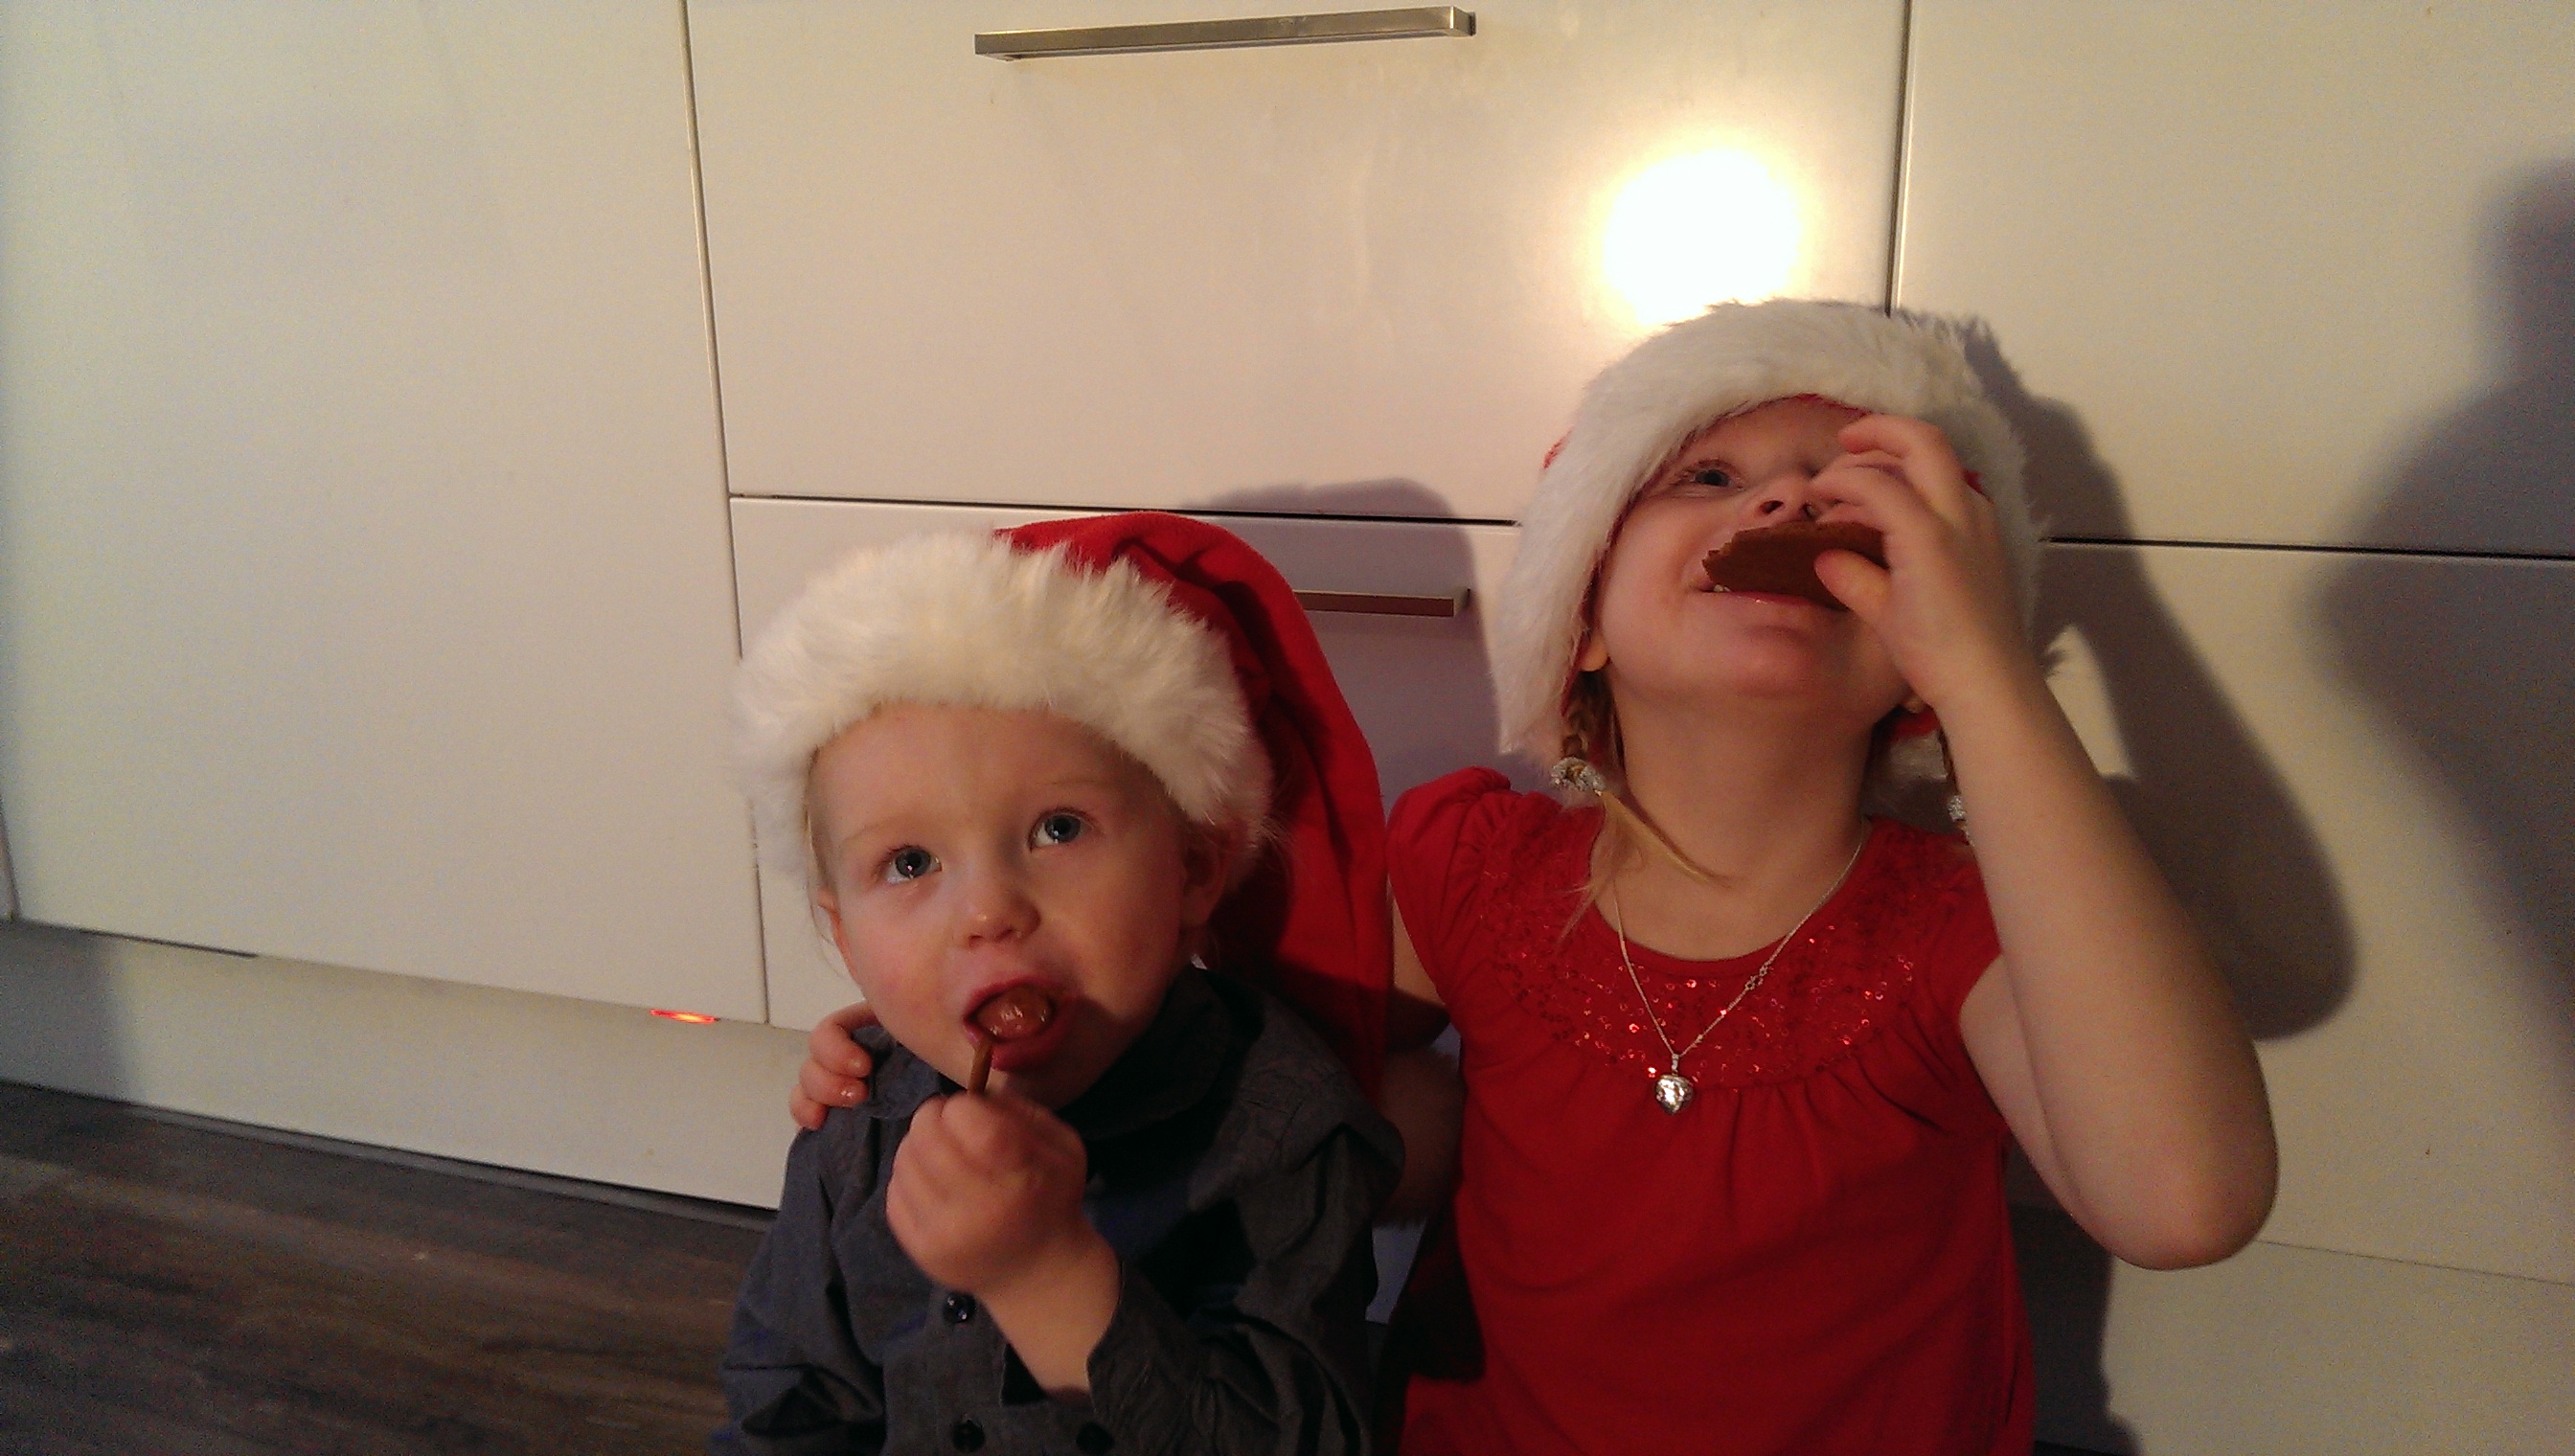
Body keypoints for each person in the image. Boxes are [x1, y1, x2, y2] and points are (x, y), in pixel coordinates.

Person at [791, 302, 2278, 1454]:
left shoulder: (1967, 926)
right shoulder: (1474, 869)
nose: (1789, 510)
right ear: (1582, 619)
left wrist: (1987, 668)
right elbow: (1240, 1056)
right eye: (1709, 476)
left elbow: (2183, 1200)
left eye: (1857, 501)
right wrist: (961, 1019)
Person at [719, 512, 1402, 1454]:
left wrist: (1045, 1275)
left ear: (1196, 867)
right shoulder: (859, 1114)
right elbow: (790, 1396)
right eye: (910, 861)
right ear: (843, 930)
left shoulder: (1286, 1126)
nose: (988, 911)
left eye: (1058, 829)